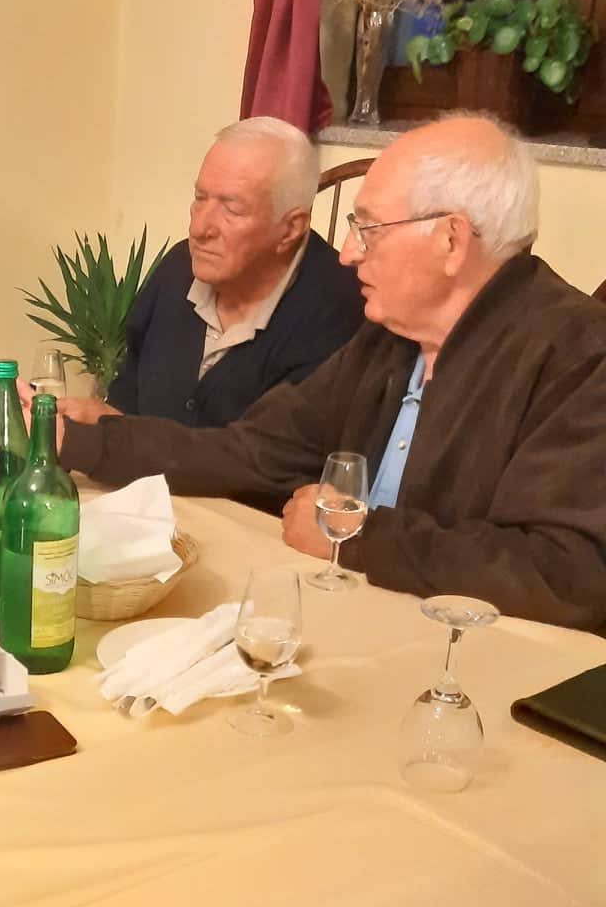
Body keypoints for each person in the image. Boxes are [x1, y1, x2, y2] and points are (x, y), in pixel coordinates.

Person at [58, 114, 606, 634]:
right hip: (364, 625)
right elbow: (251, 451)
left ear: (451, 241)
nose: (346, 254)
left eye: (369, 229)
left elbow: (569, 572)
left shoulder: (580, 353)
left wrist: (360, 536)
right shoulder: (391, 340)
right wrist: (80, 440)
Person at [61, 117, 364, 430]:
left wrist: (121, 436)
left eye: (231, 209)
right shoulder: (178, 269)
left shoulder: (338, 312)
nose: (199, 228)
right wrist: (98, 421)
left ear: (289, 229)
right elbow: (127, 396)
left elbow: (268, 454)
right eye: (200, 198)